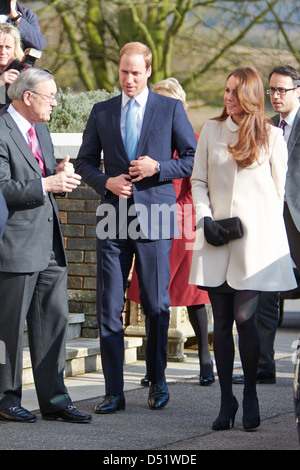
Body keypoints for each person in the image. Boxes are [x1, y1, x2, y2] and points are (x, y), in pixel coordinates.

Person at [75, 42, 196, 413]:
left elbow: (192, 160)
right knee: (109, 306)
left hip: (156, 216)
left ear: (148, 71)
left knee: (157, 305)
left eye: (135, 72)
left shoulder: (170, 108)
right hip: (113, 216)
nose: (128, 79)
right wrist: (105, 182)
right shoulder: (102, 112)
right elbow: (83, 163)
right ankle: (114, 392)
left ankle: (157, 382)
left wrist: (158, 167)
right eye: (123, 72)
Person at [189, 66, 297, 432]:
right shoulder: (211, 129)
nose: (228, 97)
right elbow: (198, 180)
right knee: (221, 324)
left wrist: (260, 228)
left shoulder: (271, 136)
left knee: (244, 318)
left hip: (254, 244)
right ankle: (226, 400)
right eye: (225, 90)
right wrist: (204, 218)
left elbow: (278, 193)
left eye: (235, 92)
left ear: (250, 96)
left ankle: (249, 392)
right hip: (215, 237)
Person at [0, 67, 91, 423]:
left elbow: (40, 173)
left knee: (54, 321)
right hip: (16, 244)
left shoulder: (39, 127)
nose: (56, 101)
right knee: (8, 326)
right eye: (50, 95)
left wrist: (59, 173)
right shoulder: (2, 130)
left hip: (49, 242)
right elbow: (4, 187)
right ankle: (6, 398)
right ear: (27, 97)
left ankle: (55, 398)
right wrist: (47, 183)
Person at [128, 77, 214, 387]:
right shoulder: (146, 135)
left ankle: (205, 361)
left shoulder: (191, 137)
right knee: (154, 297)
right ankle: (154, 368)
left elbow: (197, 183)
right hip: (154, 221)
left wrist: (180, 216)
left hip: (182, 223)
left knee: (193, 295)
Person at [233, 66, 300, 387]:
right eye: (271, 90)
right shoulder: (266, 127)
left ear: (297, 91)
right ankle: (263, 366)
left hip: (298, 224)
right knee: (266, 297)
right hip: (271, 223)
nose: (275, 96)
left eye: (282, 90)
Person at [0, 23, 24, 108]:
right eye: (0, 46)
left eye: (8, 47)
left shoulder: (24, 71)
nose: (3, 52)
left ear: (15, 47)